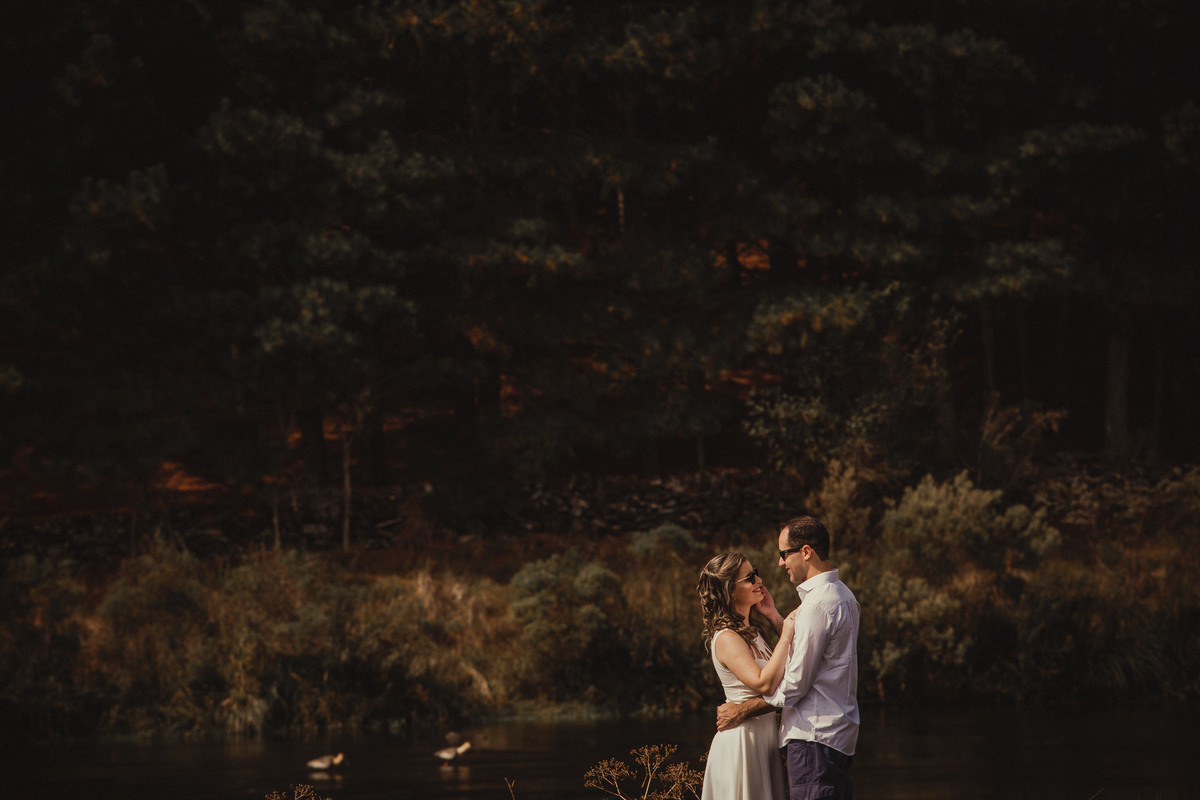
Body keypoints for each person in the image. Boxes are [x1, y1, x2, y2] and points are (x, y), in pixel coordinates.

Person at [716, 516, 861, 800]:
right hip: (835, 738)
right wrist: (774, 618)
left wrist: (742, 710)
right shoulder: (844, 597)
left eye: (784, 554)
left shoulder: (817, 605)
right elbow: (811, 654)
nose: (780, 563)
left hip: (813, 738)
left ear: (806, 552)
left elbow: (794, 685)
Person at [696, 552, 796, 800]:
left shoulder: (755, 630)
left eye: (756, 572)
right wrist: (787, 633)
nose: (759, 580)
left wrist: (773, 615)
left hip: (763, 741)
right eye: (750, 578)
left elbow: (795, 668)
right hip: (742, 743)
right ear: (730, 590)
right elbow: (764, 682)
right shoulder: (728, 637)